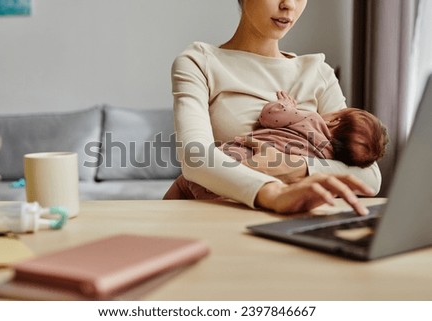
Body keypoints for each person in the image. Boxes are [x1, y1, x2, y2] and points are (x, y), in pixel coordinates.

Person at [166, 0, 381, 215]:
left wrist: (296, 168)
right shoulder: (200, 62)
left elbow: (370, 177)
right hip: (221, 217)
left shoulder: (318, 73)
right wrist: (272, 194)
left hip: (295, 219)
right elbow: (195, 157)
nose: (288, 5)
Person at [164, 90, 388, 201]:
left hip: (232, 160)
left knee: (185, 182)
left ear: (335, 119)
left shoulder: (311, 118)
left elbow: (270, 116)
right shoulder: (326, 160)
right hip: (255, 189)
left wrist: (287, 104)